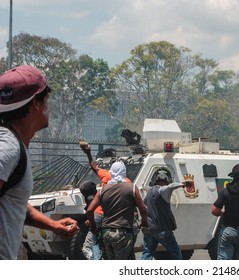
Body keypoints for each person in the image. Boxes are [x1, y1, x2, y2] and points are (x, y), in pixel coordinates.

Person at [0, 65, 78, 260]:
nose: (48, 108)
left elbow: (13, 201)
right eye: (46, 101)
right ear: (35, 103)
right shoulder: (8, 148)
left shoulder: (13, 145)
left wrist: (52, 225)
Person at [79, 141, 139, 260]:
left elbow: (94, 166)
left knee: (95, 243)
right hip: (115, 220)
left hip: (100, 215)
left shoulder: (106, 176)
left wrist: (88, 153)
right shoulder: (128, 183)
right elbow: (137, 204)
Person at [86, 161, 148, 260]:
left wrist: (93, 225)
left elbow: (89, 210)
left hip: (107, 233)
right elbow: (143, 209)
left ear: (111, 172)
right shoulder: (131, 187)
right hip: (123, 233)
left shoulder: (103, 190)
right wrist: (144, 222)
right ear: (124, 172)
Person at [141, 167, 187, 260]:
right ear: (167, 179)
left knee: (147, 252)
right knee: (176, 252)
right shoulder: (163, 190)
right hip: (162, 229)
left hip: (150, 229)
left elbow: (144, 203)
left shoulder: (150, 191)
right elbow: (171, 186)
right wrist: (183, 184)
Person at [79, 180, 98, 259]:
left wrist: (91, 221)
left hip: (96, 225)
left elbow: (90, 211)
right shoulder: (99, 195)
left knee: (87, 248)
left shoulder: (91, 198)